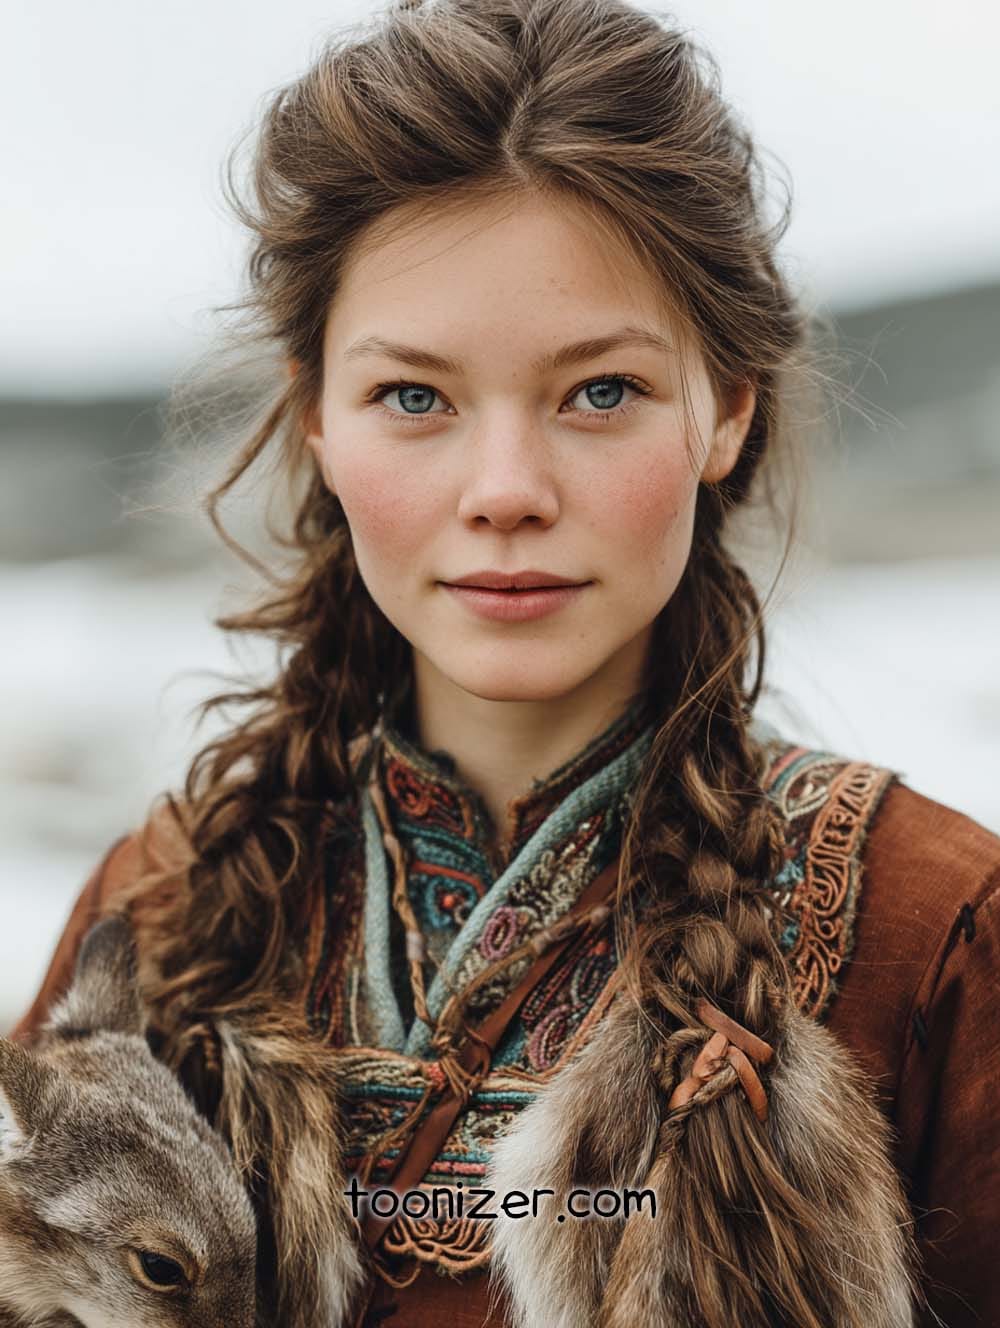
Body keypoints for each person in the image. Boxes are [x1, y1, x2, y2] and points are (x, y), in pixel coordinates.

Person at [9, 1, 999, 1325]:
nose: (507, 490)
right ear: (318, 418)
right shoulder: (164, 904)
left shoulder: (933, 928)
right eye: (413, 396)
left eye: (601, 391)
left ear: (728, 404)